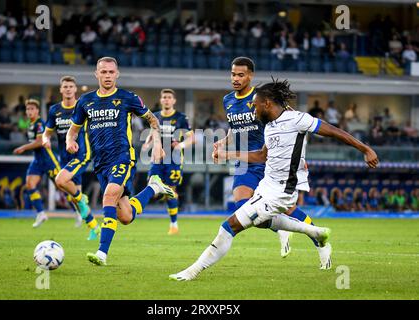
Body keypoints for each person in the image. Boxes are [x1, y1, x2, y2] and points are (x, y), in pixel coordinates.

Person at [169, 78, 379, 281]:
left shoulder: (298, 119)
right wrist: (227, 154)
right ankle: (313, 231)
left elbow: (334, 132)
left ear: (267, 103)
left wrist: (365, 148)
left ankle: (191, 272)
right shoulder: (269, 127)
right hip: (265, 186)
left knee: (229, 226)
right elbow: (261, 156)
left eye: (255, 105)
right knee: (256, 221)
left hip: (282, 192)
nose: (253, 110)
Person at [66, 57, 176, 266]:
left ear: (117, 74)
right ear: (96, 74)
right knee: (125, 216)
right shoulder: (85, 101)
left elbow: (153, 119)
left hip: (122, 157)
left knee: (108, 196)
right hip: (100, 163)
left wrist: (158, 144)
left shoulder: (127, 97)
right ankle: (153, 188)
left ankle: (102, 253)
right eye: (103, 72)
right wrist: (69, 140)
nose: (107, 76)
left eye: (111, 72)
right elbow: (73, 130)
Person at [213, 57, 293, 259]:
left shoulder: (261, 98)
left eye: (241, 75)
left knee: (290, 208)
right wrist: (223, 141)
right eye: (233, 74)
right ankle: (280, 227)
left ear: (250, 76)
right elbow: (235, 129)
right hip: (244, 162)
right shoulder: (228, 100)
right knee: (242, 207)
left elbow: (289, 119)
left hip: (267, 160)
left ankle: (315, 236)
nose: (236, 78)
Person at [42, 76, 100, 240]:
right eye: (65, 86)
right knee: (75, 199)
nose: (68, 89)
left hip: (81, 154)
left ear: (75, 89)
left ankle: (82, 199)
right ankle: (94, 227)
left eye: (70, 86)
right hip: (64, 157)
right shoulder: (54, 110)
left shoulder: (82, 107)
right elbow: (46, 133)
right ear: (61, 90)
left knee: (62, 182)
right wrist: (46, 141)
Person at [142, 89, 195, 235]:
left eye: (169, 97)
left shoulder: (181, 117)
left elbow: (191, 138)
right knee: (152, 185)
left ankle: (174, 224)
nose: (166, 100)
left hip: (174, 159)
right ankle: (161, 194)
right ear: (161, 100)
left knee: (171, 191)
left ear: (174, 101)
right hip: (158, 157)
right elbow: (153, 133)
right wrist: (147, 143)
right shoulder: (156, 116)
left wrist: (180, 145)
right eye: (164, 97)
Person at [12, 99, 62, 227]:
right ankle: (41, 213)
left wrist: (23, 147)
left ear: (37, 110)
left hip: (48, 159)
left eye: (32, 109)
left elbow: (40, 142)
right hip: (37, 160)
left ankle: (79, 212)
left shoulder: (40, 124)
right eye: (28, 109)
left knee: (63, 187)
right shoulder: (30, 124)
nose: (29, 111)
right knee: (29, 184)